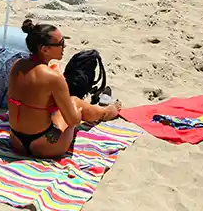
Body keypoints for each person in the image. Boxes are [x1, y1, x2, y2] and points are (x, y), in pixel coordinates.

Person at [7, 20, 121, 158]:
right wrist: (78, 112)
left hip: (16, 141)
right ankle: (105, 112)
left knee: (57, 108)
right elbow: (74, 120)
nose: (64, 46)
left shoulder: (16, 65)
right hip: (45, 145)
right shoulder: (53, 77)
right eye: (60, 43)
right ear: (45, 49)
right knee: (74, 102)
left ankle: (102, 111)